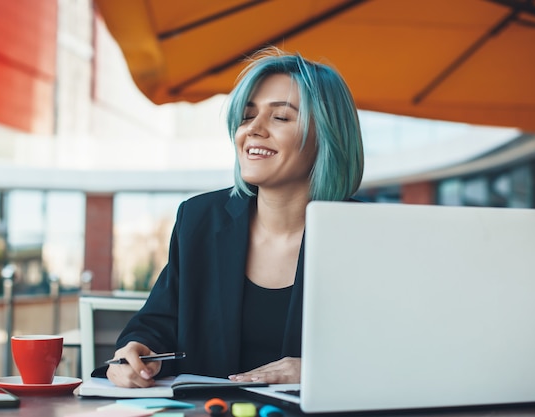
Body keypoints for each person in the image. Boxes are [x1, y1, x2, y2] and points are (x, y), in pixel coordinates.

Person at [105, 47, 364, 388]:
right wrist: (136, 352)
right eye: (246, 116)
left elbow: (401, 352)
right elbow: (158, 323)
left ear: (328, 137)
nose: (252, 130)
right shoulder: (199, 219)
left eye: (281, 117)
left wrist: (321, 371)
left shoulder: (366, 237)